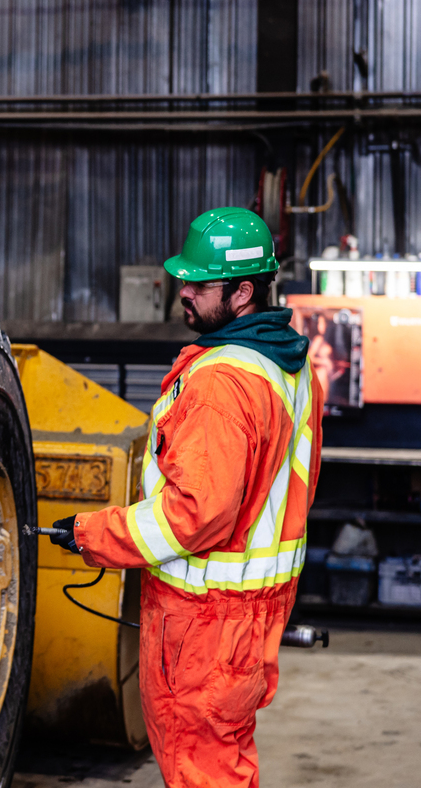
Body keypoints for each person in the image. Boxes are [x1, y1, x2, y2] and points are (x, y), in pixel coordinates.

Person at [53, 207, 324, 788]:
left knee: (201, 770)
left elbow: (192, 517)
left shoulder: (223, 384)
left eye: (199, 283)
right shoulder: (291, 367)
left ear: (243, 291)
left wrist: (90, 533)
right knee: (223, 763)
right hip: (249, 621)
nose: (184, 292)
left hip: (204, 625)